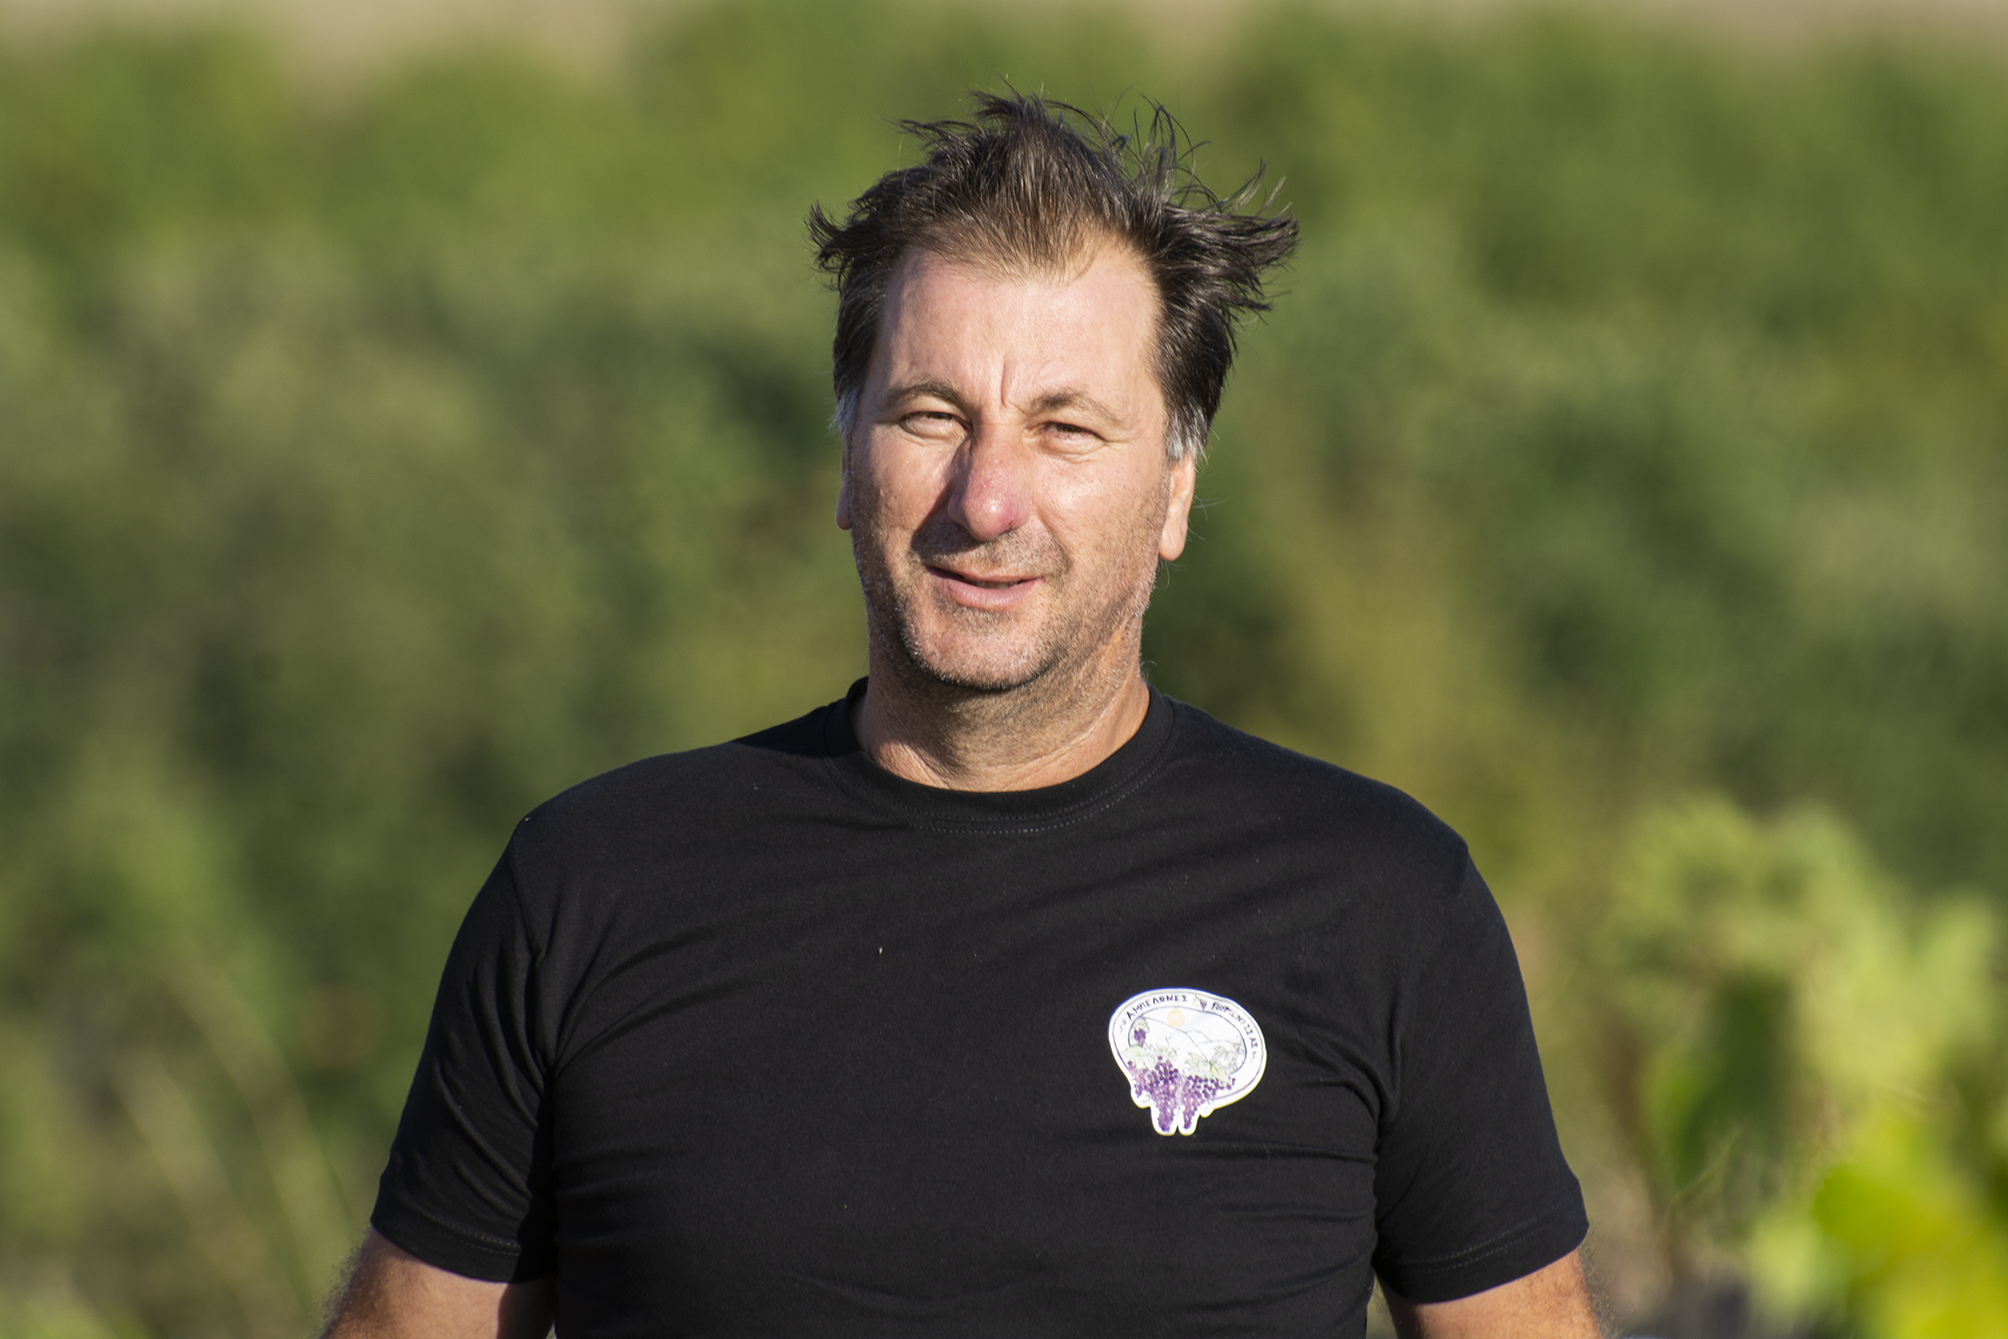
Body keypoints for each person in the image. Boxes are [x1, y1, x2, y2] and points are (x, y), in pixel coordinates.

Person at [324, 93, 1601, 1339]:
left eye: (1066, 428)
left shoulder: (1378, 905)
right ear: (847, 458)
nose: (986, 500)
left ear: (1173, 492)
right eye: (931, 416)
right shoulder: (593, 887)